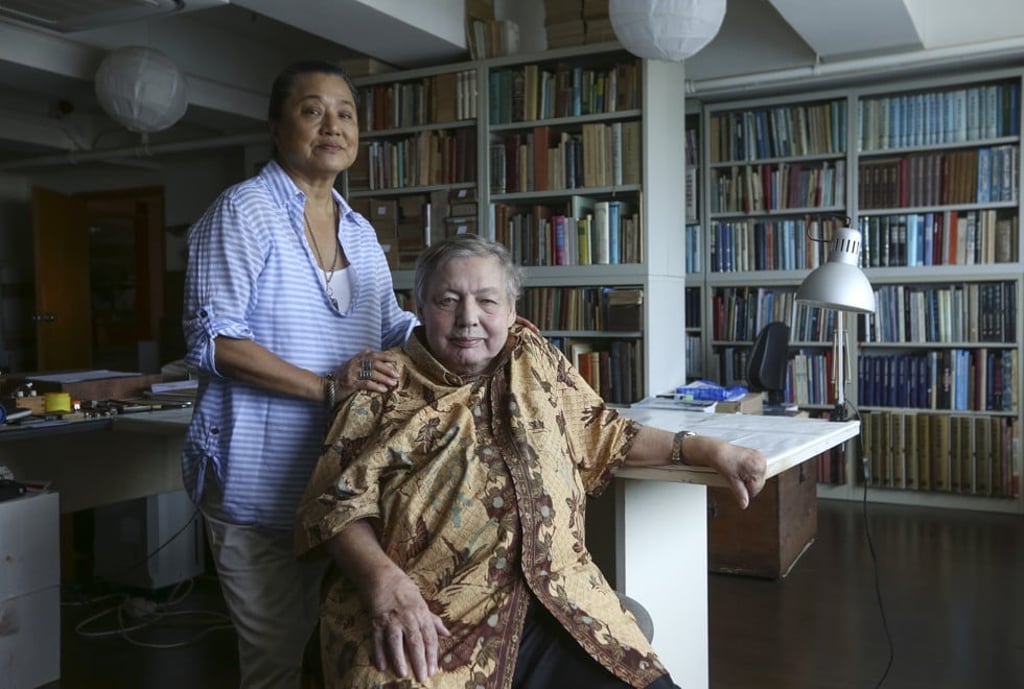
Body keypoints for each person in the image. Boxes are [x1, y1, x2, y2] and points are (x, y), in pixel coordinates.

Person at [295, 233, 767, 689]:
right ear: (418, 308)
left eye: (487, 301)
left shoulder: (533, 361)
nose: (468, 319)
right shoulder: (380, 385)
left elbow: (605, 431)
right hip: (425, 616)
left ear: (513, 311)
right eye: (447, 301)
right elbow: (334, 505)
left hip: (556, 602)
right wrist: (385, 586)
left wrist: (711, 450)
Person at [181, 59, 418, 689]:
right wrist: (326, 388)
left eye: (345, 113)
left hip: (337, 486)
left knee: (333, 650)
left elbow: (391, 327)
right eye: (312, 110)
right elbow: (217, 342)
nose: (332, 125)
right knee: (274, 663)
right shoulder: (244, 212)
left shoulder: (361, 232)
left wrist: (470, 324)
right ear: (276, 125)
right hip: (259, 482)